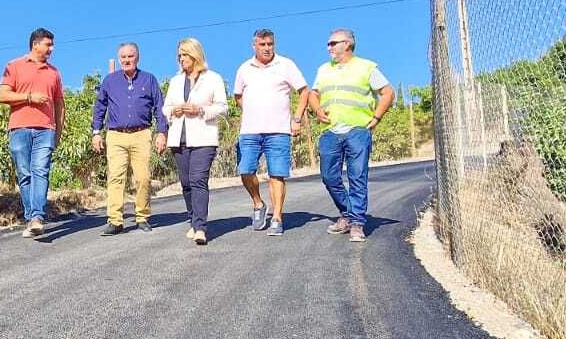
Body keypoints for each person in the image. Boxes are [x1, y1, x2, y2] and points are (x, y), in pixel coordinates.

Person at [303, 28, 396, 242]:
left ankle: (357, 223)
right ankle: (347, 213)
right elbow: (313, 94)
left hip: (357, 130)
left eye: (333, 43)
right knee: (329, 176)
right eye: (328, 44)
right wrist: (317, 109)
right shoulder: (324, 69)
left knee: (357, 176)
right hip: (330, 131)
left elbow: (388, 92)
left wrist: (376, 117)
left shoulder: (367, 67)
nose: (329, 47)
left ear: (347, 44)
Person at [232, 29, 311, 236]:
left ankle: (277, 217)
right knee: (245, 170)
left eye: (270, 44)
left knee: (277, 174)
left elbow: (304, 91)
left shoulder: (286, 64)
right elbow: (238, 96)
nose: (267, 48)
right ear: (254, 46)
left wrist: (296, 119)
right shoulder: (244, 69)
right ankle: (258, 204)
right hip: (250, 132)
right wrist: (253, 111)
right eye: (262, 44)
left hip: (278, 131)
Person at [91, 42, 168, 234]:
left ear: (137, 58)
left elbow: (159, 108)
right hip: (116, 135)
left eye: (130, 56)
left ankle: (142, 217)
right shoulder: (110, 81)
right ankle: (115, 220)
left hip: (141, 134)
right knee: (116, 178)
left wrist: (161, 132)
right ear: (119, 59)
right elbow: (100, 107)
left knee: (143, 178)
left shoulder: (149, 79)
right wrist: (96, 132)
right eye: (123, 57)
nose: (127, 60)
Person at [0, 28, 66, 238]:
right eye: (48, 44)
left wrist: (58, 132)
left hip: (46, 130)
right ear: (35, 44)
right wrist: (28, 97)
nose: (51, 49)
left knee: (41, 171)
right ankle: (30, 218)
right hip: (19, 129)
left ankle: (37, 217)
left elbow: (59, 105)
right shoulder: (14, 66)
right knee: (24, 173)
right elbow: (3, 95)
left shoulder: (54, 72)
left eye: (52, 45)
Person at [161, 37, 228, 245]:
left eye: (185, 55)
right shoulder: (175, 81)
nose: (181, 59)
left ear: (195, 55)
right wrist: (173, 110)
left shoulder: (213, 78)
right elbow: (165, 108)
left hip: (203, 138)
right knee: (186, 182)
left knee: (198, 179)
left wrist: (200, 110)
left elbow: (222, 107)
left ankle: (200, 227)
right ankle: (192, 219)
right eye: (179, 56)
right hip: (179, 138)